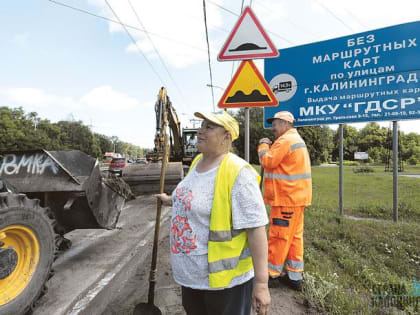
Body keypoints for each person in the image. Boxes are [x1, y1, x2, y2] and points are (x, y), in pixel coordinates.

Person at [157, 111, 270, 315]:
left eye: (209, 127)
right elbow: (192, 195)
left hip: (224, 283)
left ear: (226, 136)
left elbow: (256, 229)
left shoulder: (238, 173)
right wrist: (169, 200)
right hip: (191, 278)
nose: (200, 130)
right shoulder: (197, 162)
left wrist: (261, 284)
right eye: (202, 125)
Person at [257, 111, 312, 291]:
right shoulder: (294, 139)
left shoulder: (286, 140)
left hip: (286, 199)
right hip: (295, 198)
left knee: (279, 237)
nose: (272, 128)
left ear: (285, 123)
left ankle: (272, 275)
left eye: (275, 124)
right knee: (294, 237)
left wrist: (263, 145)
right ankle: (294, 277)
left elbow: (267, 161)